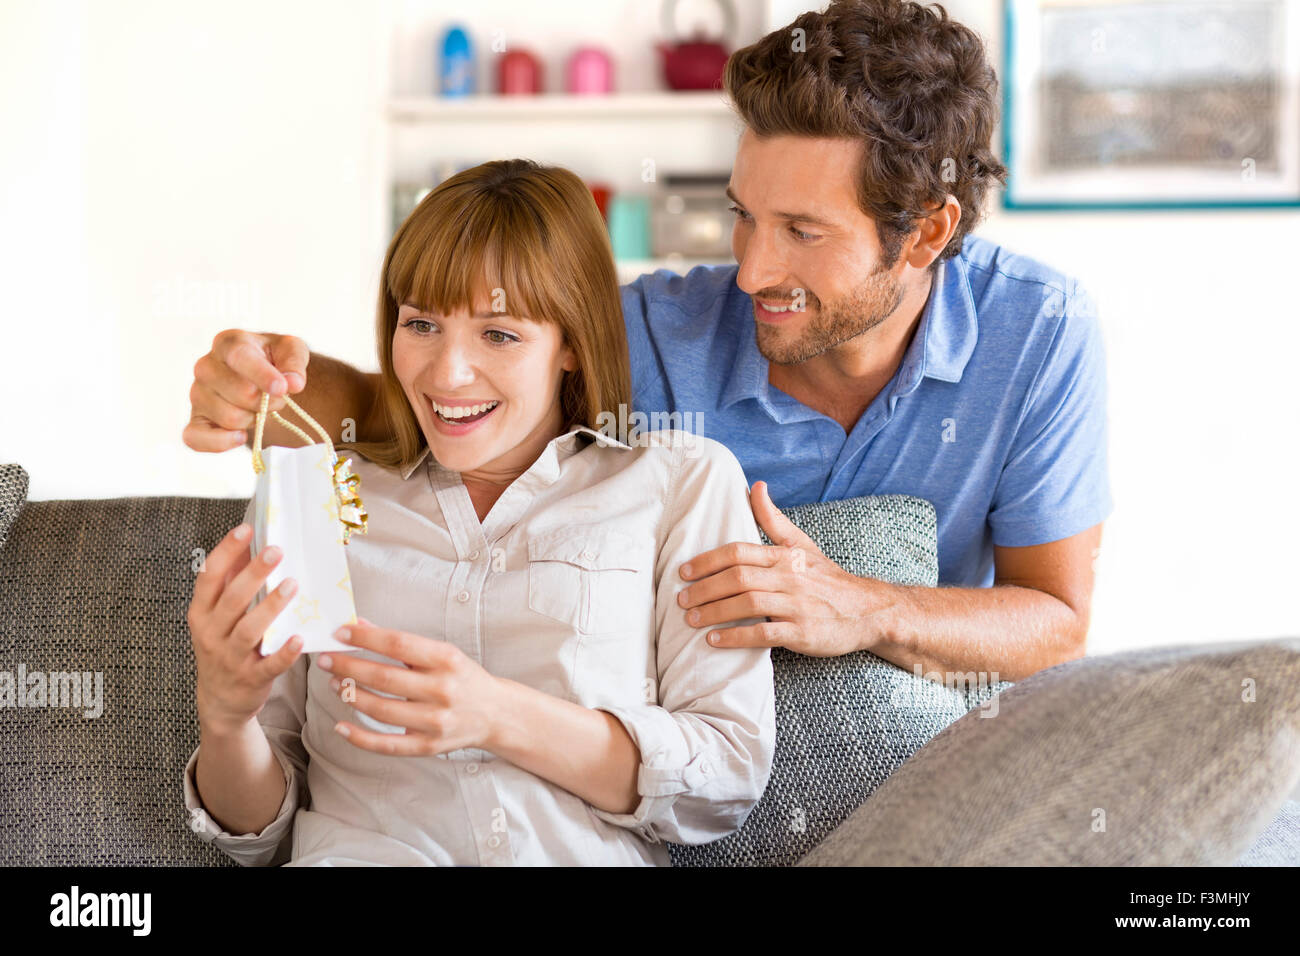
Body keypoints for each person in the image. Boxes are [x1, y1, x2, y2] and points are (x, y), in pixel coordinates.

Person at [185, 0, 1112, 684]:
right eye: (743, 216)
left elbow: (1057, 620)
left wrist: (864, 606)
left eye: (802, 232)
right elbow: (445, 402)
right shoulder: (657, 331)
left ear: (926, 233)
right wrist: (280, 386)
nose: (749, 272)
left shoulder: (1039, 333)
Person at [182, 159, 776, 866]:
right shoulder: (325, 493)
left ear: (572, 347)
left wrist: (497, 715)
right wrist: (226, 717)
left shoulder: (680, 484)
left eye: (499, 334)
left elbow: (726, 778)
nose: (445, 374)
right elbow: (259, 834)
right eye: (422, 324)